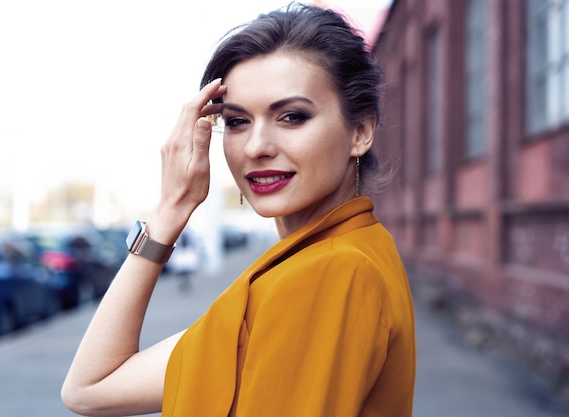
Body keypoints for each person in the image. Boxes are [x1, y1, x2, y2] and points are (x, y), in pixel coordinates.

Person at [61, 3, 416, 416]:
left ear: (360, 132)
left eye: (291, 116)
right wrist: (170, 212)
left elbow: (88, 389)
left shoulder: (328, 272)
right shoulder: (344, 252)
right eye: (236, 121)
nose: (255, 147)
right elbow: (91, 387)